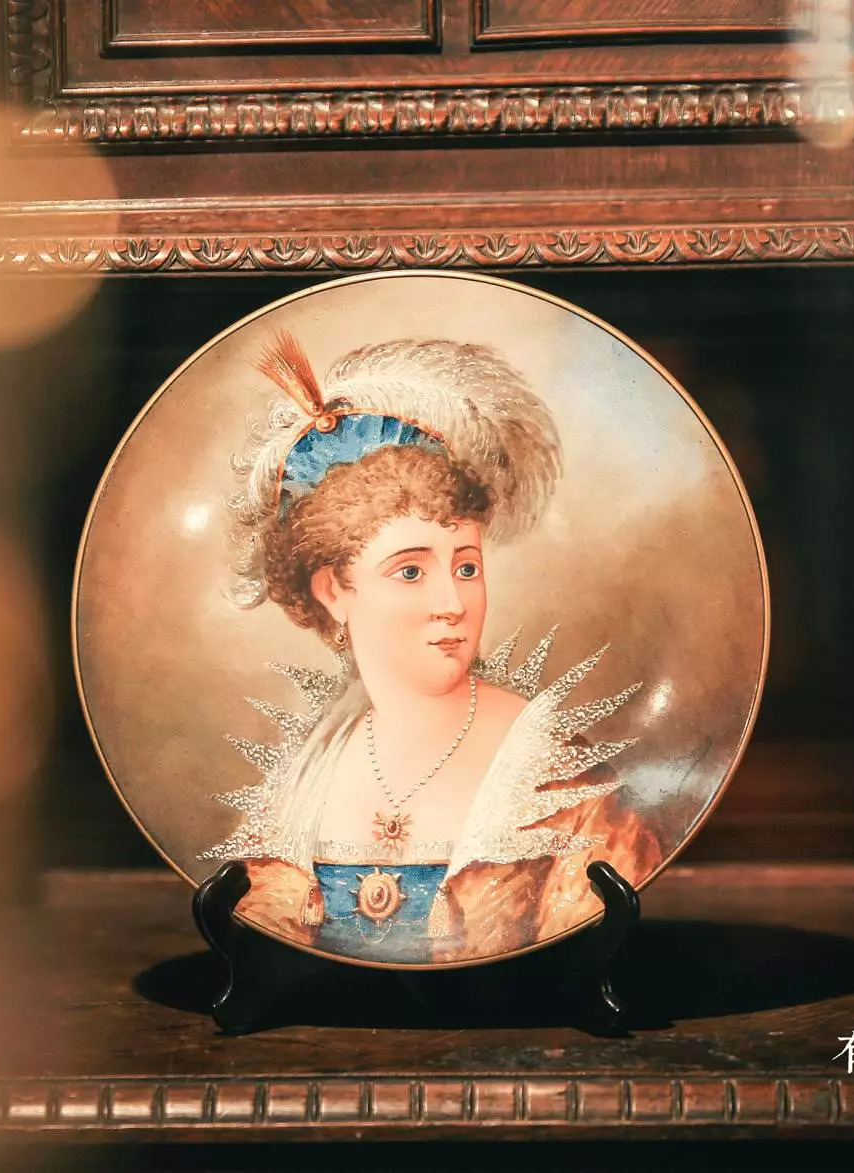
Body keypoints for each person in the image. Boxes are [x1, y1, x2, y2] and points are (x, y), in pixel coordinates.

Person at [203, 333, 659, 964]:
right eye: (411, 571)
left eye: (467, 567)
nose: (453, 602)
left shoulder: (557, 779)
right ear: (333, 591)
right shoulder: (306, 774)